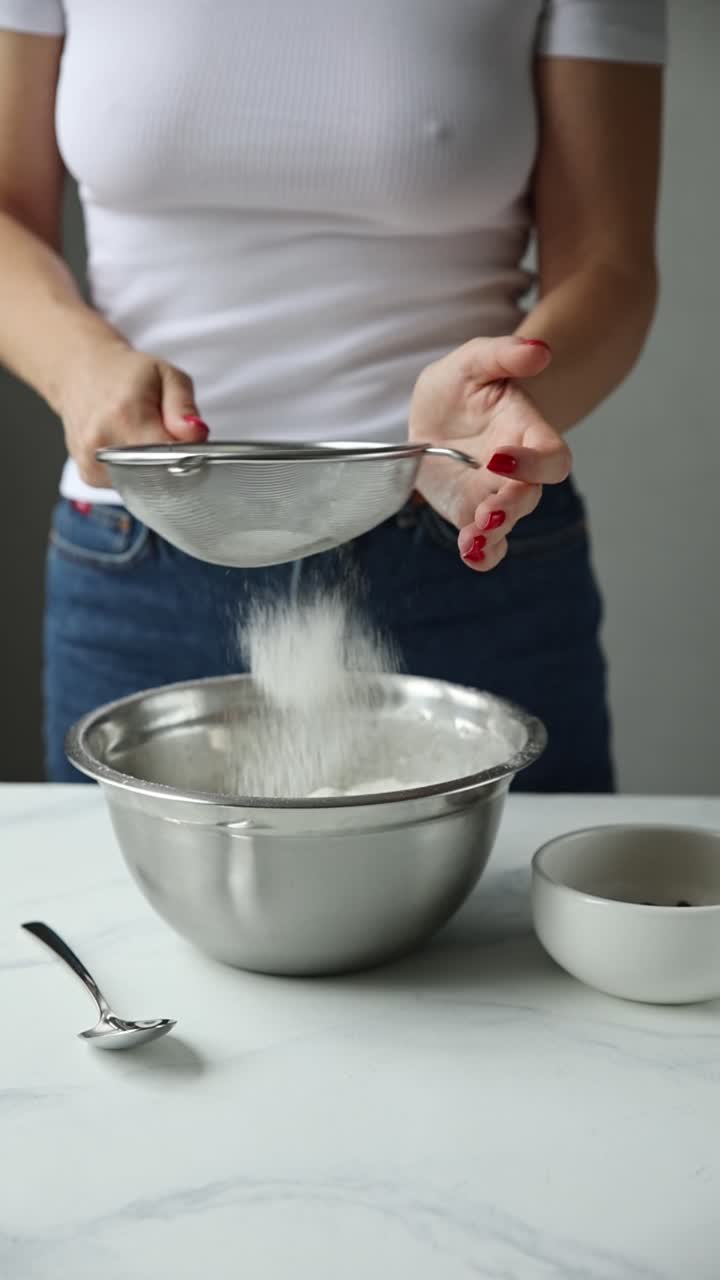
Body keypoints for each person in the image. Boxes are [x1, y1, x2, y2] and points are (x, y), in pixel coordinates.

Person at [0, 2, 664, 790]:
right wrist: (82, 368)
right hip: (139, 557)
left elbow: (609, 262)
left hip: (464, 536)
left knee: (519, 912)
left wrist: (508, 399)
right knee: (99, 913)